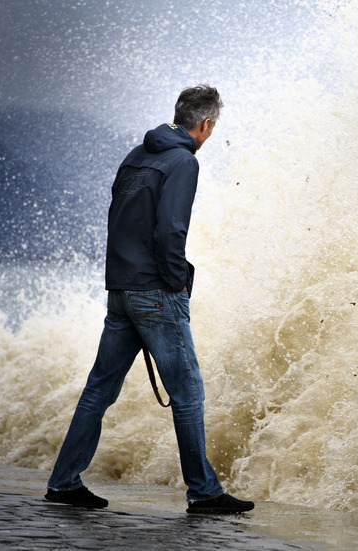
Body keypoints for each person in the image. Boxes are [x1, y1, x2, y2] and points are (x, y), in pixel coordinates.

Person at [45, 85, 253, 515]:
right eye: (214, 127)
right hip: (156, 294)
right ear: (206, 124)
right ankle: (204, 492)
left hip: (120, 291)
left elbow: (117, 219)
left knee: (99, 390)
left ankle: (63, 483)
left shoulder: (136, 156)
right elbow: (170, 231)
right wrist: (177, 283)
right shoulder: (183, 162)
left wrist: (123, 280)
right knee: (189, 391)